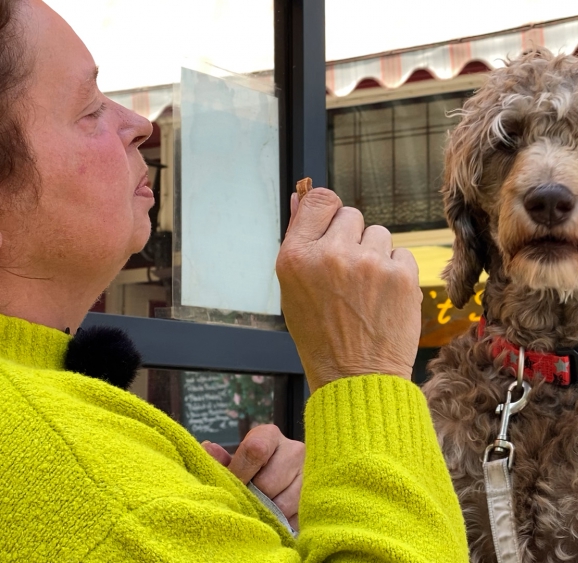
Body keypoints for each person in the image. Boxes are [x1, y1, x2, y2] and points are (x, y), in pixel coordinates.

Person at [0, 1, 468, 561]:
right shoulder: (67, 462)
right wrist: (363, 372)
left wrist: (291, 513)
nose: (141, 124)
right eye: (90, 108)